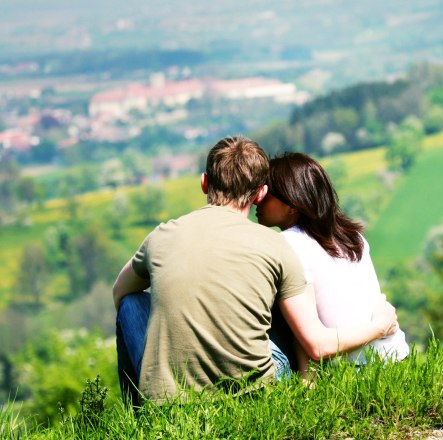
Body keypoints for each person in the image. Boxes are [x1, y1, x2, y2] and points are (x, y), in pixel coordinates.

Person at [113, 136, 398, 405]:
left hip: (171, 399)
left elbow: (120, 293)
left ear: (204, 183)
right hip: (253, 391)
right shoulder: (277, 244)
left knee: (131, 304)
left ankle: (142, 414)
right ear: (260, 192)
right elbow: (313, 341)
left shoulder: (161, 236)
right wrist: (378, 327)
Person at [256, 152, 410, 376]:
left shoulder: (289, 243)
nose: (256, 199)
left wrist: (308, 382)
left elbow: (316, 344)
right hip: (394, 356)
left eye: (267, 193)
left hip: (354, 369)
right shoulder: (353, 238)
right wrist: (379, 327)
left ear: (292, 203)